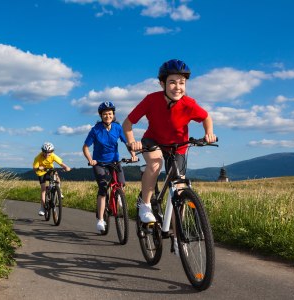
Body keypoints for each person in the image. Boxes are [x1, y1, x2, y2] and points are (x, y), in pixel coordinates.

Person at [122, 59, 216, 223]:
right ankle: (145, 205)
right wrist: (132, 142)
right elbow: (128, 123)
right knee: (156, 162)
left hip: (177, 147)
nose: (178, 87)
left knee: (179, 188)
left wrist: (209, 133)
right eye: (172, 82)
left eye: (182, 82)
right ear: (162, 83)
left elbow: (206, 117)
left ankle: (177, 236)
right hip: (153, 141)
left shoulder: (189, 104)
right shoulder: (151, 100)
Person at [83, 101, 138, 232]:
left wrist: (133, 155)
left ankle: (119, 199)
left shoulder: (118, 128)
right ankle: (101, 220)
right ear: (101, 116)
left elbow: (127, 143)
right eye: (104, 114)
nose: (107, 116)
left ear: (113, 115)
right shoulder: (95, 130)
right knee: (103, 188)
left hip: (114, 162)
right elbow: (85, 147)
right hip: (99, 163)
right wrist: (91, 160)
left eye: (109, 113)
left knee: (121, 184)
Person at [33, 142, 71, 216]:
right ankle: (42, 208)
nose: (47, 154)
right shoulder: (38, 157)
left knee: (57, 176)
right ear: (42, 151)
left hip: (50, 170)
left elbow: (61, 163)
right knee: (43, 189)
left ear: (52, 151)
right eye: (45, 152)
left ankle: (59, 191)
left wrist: (66, 167)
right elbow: (34, 168)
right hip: (41, 173)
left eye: (49, 152)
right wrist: (38, 168)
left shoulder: (53, 156)